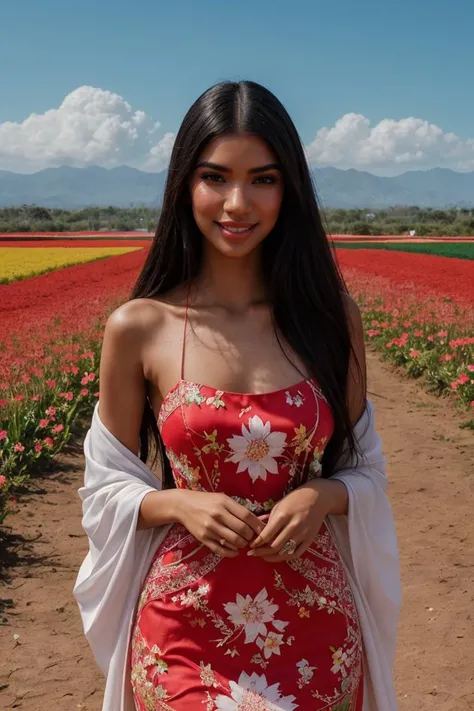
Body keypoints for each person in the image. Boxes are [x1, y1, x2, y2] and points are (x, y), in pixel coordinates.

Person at [74, 80, 401, 711]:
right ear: (184, 185)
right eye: (215, 176)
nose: (237, 201)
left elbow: (366, 470)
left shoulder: (331, 320)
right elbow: (106, 483)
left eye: (263, 179)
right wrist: (175, 504)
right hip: (183, 623)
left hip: (315, 622)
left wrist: (321, 493)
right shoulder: (140, 326)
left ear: (291, 189)